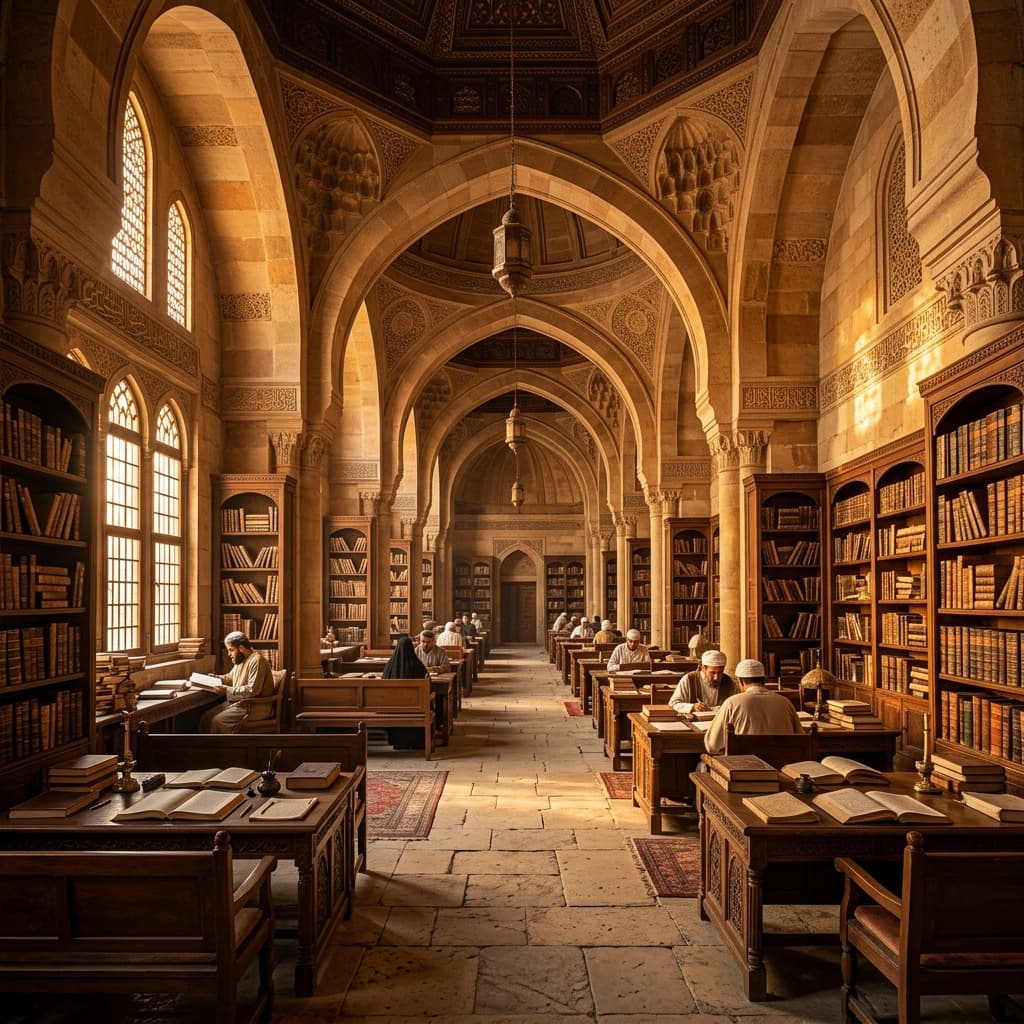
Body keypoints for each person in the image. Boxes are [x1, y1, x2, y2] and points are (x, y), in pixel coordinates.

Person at [704, 658, 803, 753]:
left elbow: (712, 745)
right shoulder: (785, 702)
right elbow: (801, 739)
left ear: (740, 681)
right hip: (782, 767)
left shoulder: (731, 703)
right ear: (764, 679)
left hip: (743, 767)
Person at [199, 630, 275, 733]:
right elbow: (230, 678)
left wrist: (227, 690)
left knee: (218, 721)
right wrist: (216, 678)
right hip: (240, 704)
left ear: (241, 648)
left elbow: (252, 690)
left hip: (254, 707)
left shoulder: (257, 661)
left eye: (231, 650)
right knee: (206, 718)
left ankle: (223, 749)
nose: (229, 654)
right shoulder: (240, 659)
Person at [383, 636, 428, 750]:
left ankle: (398, 742)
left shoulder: (389, 665)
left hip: (393, 709)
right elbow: (428, 684)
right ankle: (416, 742)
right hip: (416, 708)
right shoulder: (418, 666)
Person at [668, 650, 738, 714]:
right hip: (694, 723)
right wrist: (693, 707)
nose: (716, 677)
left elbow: (736, 705)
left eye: (720, 673)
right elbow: (673, 704)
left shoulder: (729, 682)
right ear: (703, 668)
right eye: (712, 673)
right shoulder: (689, 679)